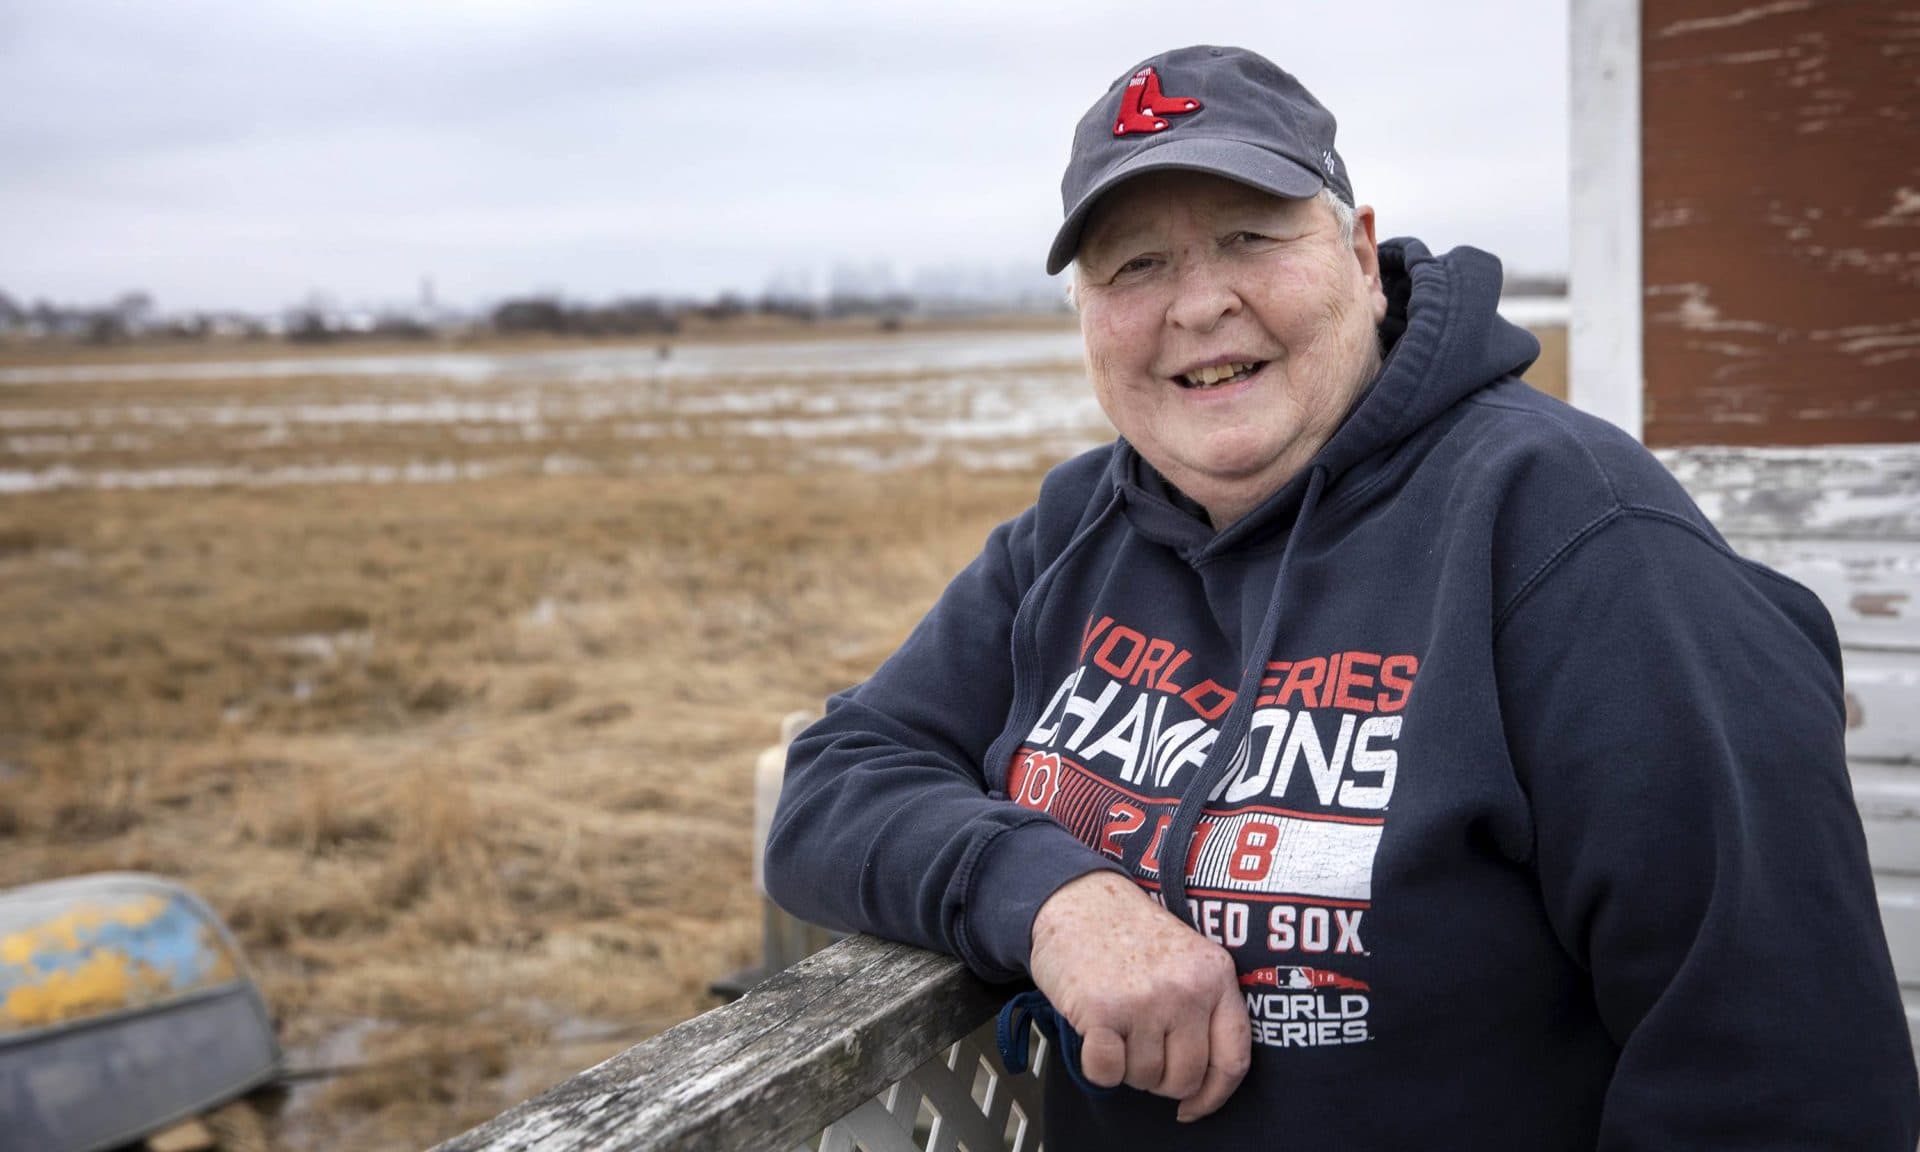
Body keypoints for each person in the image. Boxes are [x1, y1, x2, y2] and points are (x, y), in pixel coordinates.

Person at [765, 44, 1919, 1148]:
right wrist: (1058, 899)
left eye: (1249, 236)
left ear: (1362, 254)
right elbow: (837, 783)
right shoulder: (1081, 529)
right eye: (1134, 265)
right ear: (1084, 314)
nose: (1197, 303)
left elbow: (1783, 1076)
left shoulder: (1581, 538)